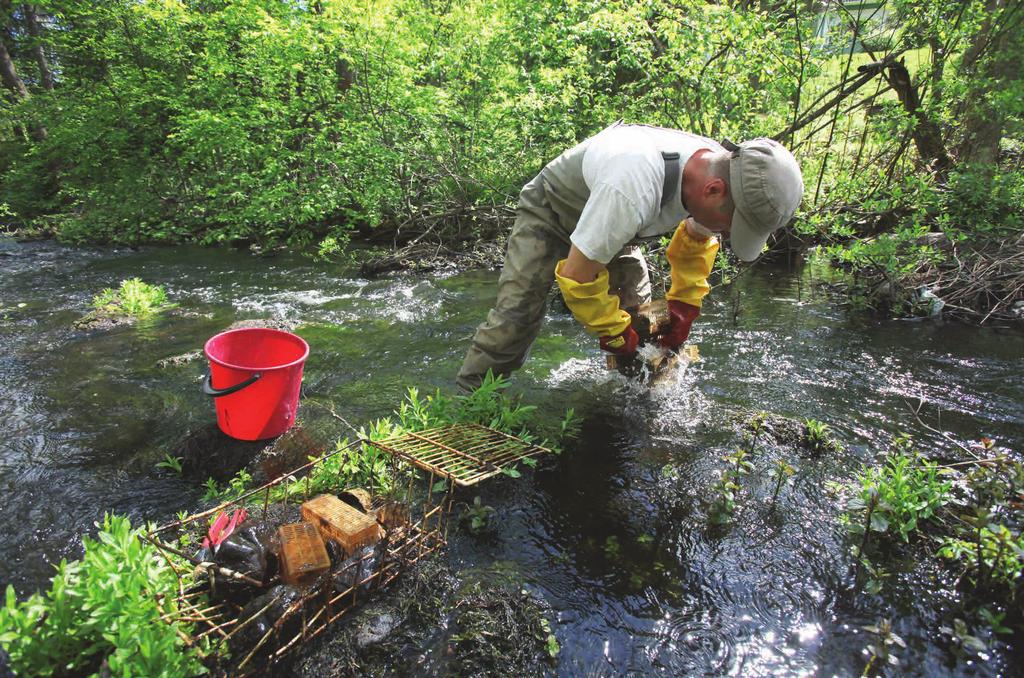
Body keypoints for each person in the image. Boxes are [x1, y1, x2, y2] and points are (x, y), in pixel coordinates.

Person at [456, 121, 803, 392]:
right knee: (518, 316)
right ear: (713, 192)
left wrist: (684, 304)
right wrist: (612, 332)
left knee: (645, 321)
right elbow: (578, 275)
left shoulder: (723, 171)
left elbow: (696, 240)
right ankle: (469, 405)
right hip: (554, 213)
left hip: (616, 227)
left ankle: (635, 401)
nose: (727, 235)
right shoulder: (633, 183)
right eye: (732, 225)